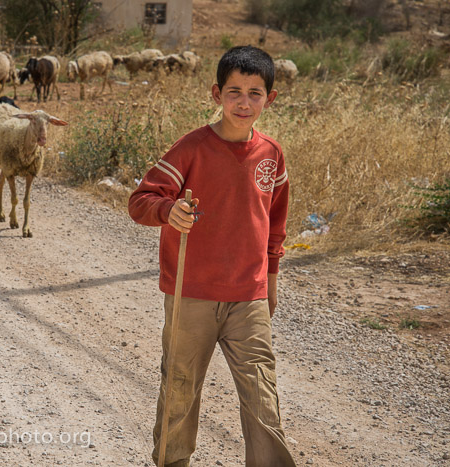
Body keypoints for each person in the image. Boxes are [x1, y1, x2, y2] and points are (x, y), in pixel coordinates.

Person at [127, 45, 297, 467]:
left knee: (263, 396)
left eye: (254, 93)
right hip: (192, 294)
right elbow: (140, 201)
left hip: (249, 296)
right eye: (234, 91)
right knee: (180, 389)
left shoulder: (271, 154)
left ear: (269, 99)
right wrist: (169, 211)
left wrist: (270, 286)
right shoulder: (191, 148)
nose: (244, 102)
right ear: (216, 93)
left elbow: (275, 228)